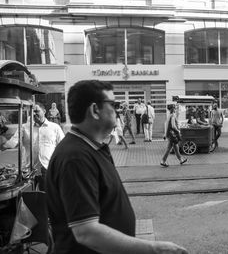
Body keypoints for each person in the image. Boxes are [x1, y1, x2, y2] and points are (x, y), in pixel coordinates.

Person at [46, 80, 188, 254]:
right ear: (94, 110)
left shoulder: (90, 148)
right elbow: (86, 232)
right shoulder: (75, 158)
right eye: (113, 105)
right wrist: (153, 249)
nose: (118, 110)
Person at [2, 102, 64, 191]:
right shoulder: (24, 127)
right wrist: (3, 145)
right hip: (28, 171)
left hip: (47, 169)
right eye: (32, 111)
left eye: (37, 111)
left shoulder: (55, 127)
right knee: (29, 198)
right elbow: (13, 142)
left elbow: (62, 147)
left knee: (47, 197)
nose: (34, 113)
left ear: (44, 111)